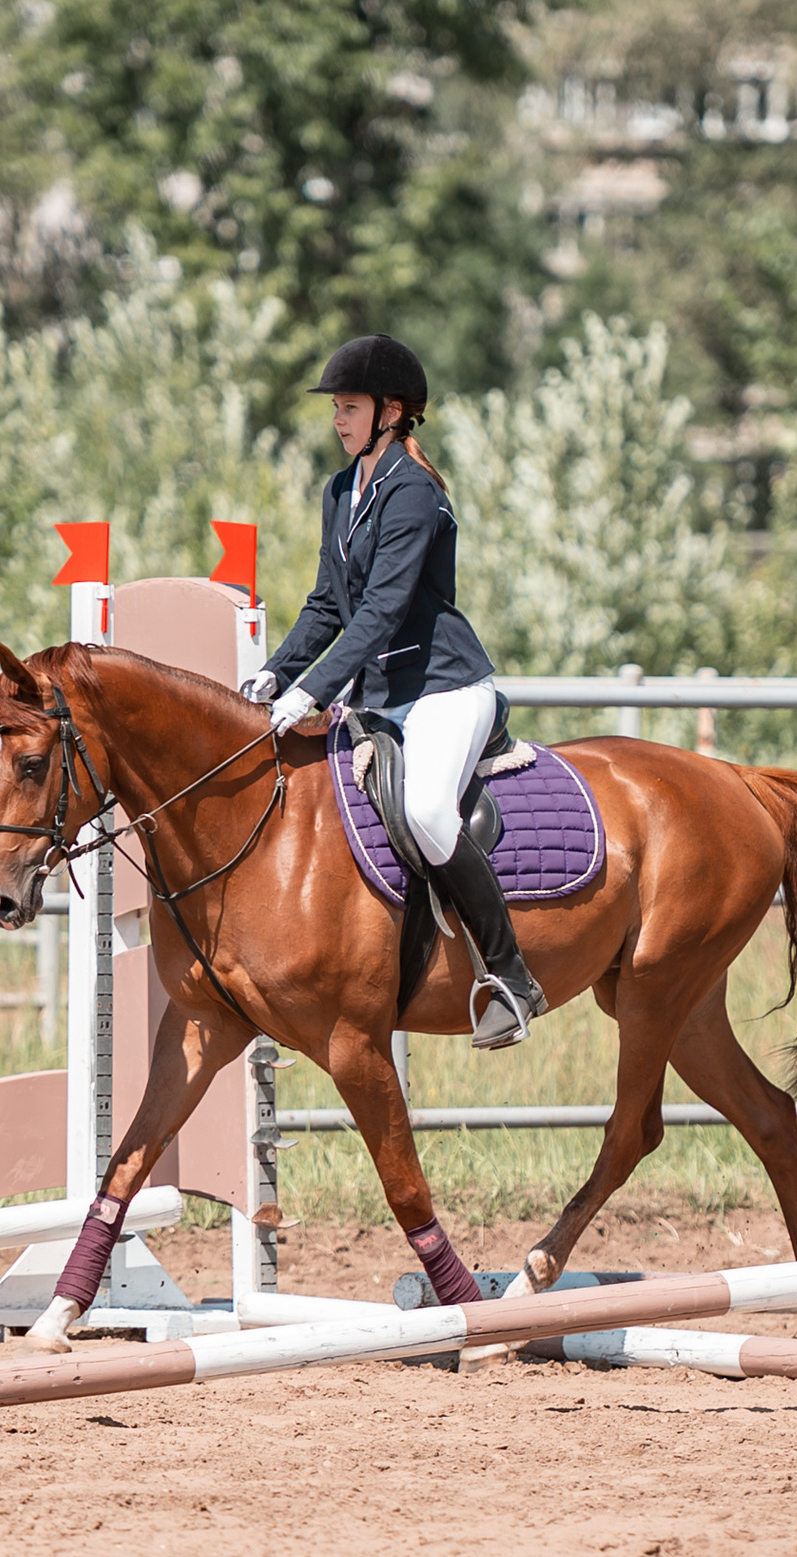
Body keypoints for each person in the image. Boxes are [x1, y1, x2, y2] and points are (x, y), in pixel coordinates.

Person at [241, 333, 547, 1049]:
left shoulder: (414, 491)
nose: (339, 420)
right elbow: (327, 602)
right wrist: (278, 671)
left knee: (427, 809)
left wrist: (311, 692)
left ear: (392, 411)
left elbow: (380, 609)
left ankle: (511, 977)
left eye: (350, 407)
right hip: (382, 692)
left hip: (442, 686)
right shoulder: (341, 489)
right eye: (338, 409)